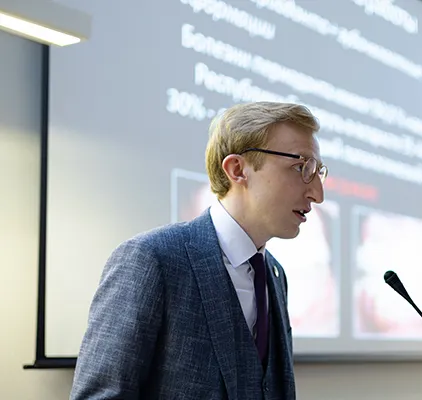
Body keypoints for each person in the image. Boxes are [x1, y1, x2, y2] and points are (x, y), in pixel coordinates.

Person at [70, 101, 327, 400]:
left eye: (317, 172)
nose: (317, 194)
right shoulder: (151, 259)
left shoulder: (275, 274)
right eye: (300, 168)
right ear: (237, 169)